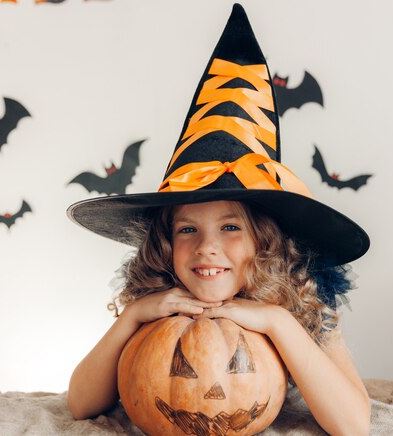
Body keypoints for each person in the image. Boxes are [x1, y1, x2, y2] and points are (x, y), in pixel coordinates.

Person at [66, 4, 371, 435]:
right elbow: (81, 404)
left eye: (230, 227)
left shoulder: (302, 297)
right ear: (166, 245)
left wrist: (276, 321)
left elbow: (353, 426)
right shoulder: (160, 298)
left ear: (266, 242)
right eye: (187, 229)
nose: (206, 247)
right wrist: (134, 315)